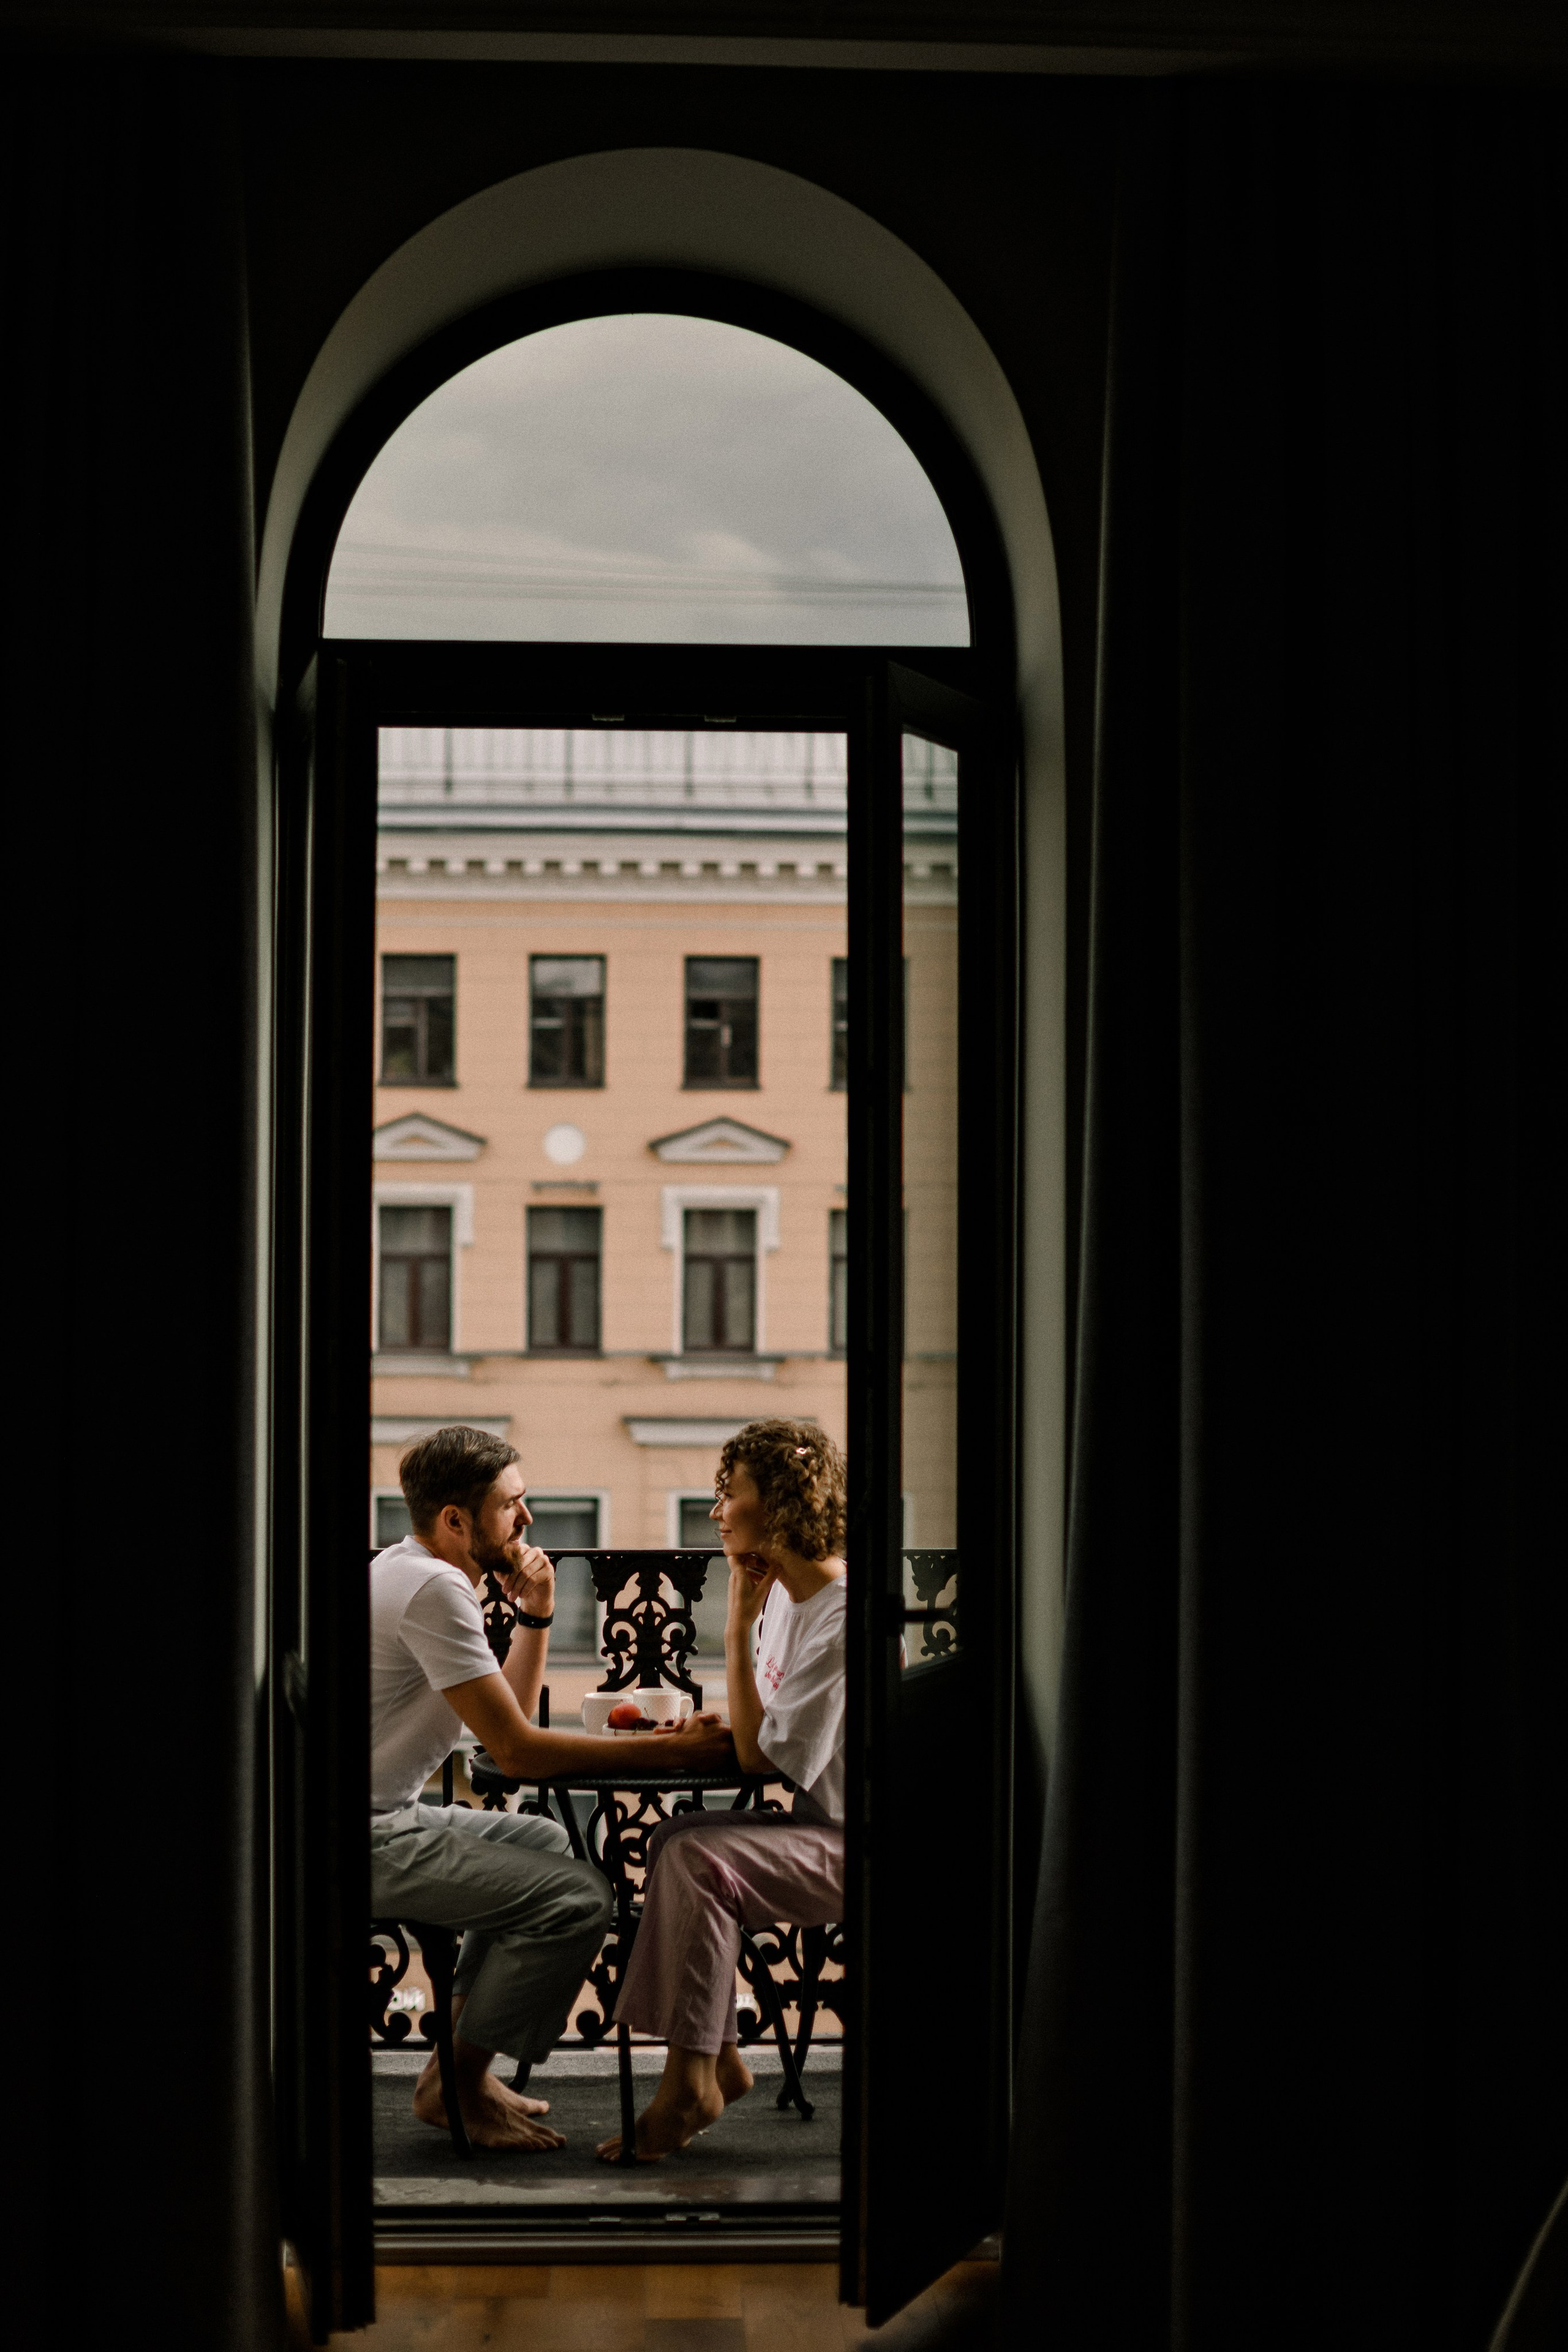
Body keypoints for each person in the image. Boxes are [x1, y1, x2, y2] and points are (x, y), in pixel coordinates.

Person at [371, 1423, 734, 2151]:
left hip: (390, 1815)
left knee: (539, 1835)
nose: (528, 1520)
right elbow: (519, 1753)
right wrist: (673, 1755)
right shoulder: (435, 1588)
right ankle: (460, 2085)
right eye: (513, 1504)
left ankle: (457, 2068)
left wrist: (535, 1611)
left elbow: (504, 1718)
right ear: (455, 1521)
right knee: (577, 1899)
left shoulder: (408, 1568)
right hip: (371, 1837)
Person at [597, 1417, 847, 2162]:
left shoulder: (839, 1615)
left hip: (853, 1844)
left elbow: (763, 1760)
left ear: (776, 1504)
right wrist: (725, 1715)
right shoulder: (787, 1598)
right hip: (820, 1821)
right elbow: (762, 1731)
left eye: (726, 1493)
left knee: (701, 1860)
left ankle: (689, 2085)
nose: (715, 1511)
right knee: (675, 1838)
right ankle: (717, 2058)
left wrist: (733, 1630)